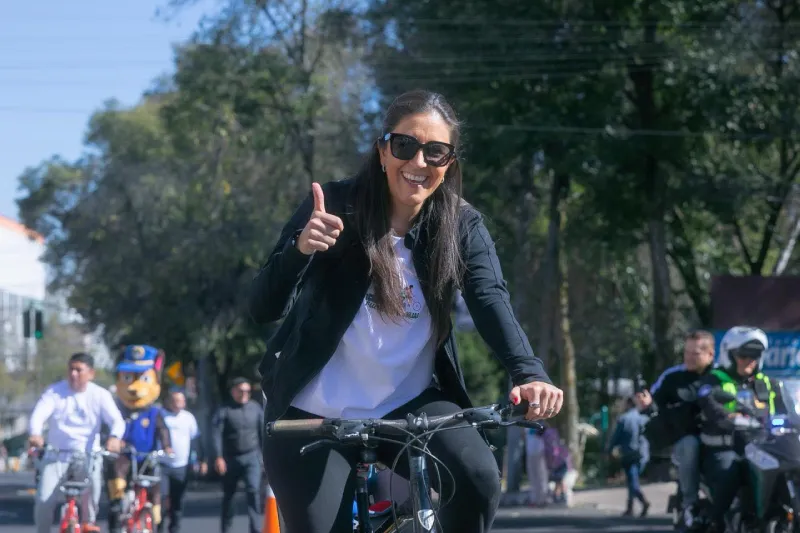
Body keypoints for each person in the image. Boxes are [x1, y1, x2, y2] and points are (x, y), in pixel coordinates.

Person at [251, 89, 563, 533]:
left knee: (478, 477)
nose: (418, 163)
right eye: (404, 146)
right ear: (382, 151)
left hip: (410, 405)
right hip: (312, 414)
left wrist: (529, 373)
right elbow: (262, 307)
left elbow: (491, 299)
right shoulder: (335, 208)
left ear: (448, 164)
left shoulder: (461, 225)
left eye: (435, 152)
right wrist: (299, 251)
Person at [694, 326, 782, 533]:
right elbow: (708, 399)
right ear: (730, 355)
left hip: (761, 448)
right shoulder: (714, 378)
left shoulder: (769, 383)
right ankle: (716, 522)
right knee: (729, 471)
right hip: (726, 448)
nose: (749, 360)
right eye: (744, 355)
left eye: (755, 355)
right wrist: (727, 417)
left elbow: (787, 409)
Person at [28, 352, 125, 533]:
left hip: (88, 454)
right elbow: (38, 415)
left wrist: (114, 438)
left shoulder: (100, 395)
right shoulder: (55, 392)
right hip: (57, 455)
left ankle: (88, 523)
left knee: (93, 490)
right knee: (43, 500)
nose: (73, 374)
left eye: (79, 370)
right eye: (71, 369)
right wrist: (35, 434)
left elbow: (117, 421)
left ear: (91, 374)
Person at [648, 329, 716, 529]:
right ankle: (690, 504)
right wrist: (646, 405)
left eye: (695, 354)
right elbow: (654, 402)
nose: (689, 358)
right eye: (686, 352)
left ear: (710, 355)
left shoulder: (721, 376)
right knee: (690, 445)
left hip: (721, 437)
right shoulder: (672, 377)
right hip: (686, 438)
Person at [107, 344, 173, 533]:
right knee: (116, 475)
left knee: (156, 486)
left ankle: (157, 519)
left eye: (143, 378)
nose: (134, 387)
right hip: (126, 455)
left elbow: (163, 430)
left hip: (148, 456)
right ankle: (118, 507)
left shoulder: (155, 412)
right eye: (127, 378)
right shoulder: (116, 410)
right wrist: (113, 441)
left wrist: (167, 447)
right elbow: (109, 428)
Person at [211, 377, 264, 533]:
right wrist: (218, 457)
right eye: (241, 391)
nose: (244, 394)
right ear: (233, 391)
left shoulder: (255, 408)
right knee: (229, 496)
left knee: (253, 491)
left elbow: (262, 434)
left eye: (247, 391)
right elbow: (216, 435)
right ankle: (226, 528)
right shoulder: (224, 409)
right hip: (230, 458)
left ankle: (255, 529)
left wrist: (264, 458)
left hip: (251, 457)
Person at [159, 388, 206, 533]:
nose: (179, 403)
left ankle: (174, 528)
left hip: (181, 465)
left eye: (181, 400)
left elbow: (196, 440)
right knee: (162, 499)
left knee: (177, 502)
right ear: (169, 401)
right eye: (175, 400)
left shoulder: (188, 417)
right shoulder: (161, 415)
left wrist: (200, 460)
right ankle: (159, 528)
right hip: (163, 465)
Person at [608, 390, 652, 517]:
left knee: (633, 481)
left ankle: (643, 502)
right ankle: (630, 507)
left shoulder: (624, 419)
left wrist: (609, 450)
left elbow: (616, 438)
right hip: (642, 454)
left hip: (629, 454)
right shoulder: (643, 418)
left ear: (627, 405)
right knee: (632, 480)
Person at [525, 426, 548, 507]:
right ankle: (534, 499)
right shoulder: (525, 424)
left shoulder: (540, 422)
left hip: (539, 452)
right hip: (530, 452)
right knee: (532, 477)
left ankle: (542, 499)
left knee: (541, 476)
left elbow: (544, 432)